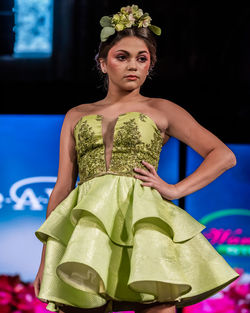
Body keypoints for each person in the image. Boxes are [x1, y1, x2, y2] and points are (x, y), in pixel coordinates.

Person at [33, 4, 240, 313]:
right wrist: (47, 259)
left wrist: (175, 189)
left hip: (144, 224)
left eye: (142, 59)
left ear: (149, 66)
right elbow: (63, 187)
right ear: (103, 64)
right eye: (122, 57)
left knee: (155, 304)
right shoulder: (77, 114)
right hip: (89, 226)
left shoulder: (162, 109)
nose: (133, 66)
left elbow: (223, 155)